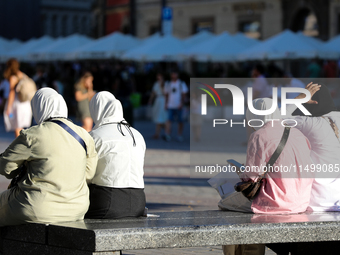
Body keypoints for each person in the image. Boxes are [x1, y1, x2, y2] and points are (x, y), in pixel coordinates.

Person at [222, 97, 316, 255]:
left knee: (226, 206)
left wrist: (240, 171)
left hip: (275, 203)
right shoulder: (297, 133)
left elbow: (250, 178)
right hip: (301, 201)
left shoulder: (258, 135)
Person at [0, 88, 97, 226]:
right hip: (77, 209)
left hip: (36, 207)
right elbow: (89, 174)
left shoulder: (32, 135)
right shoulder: (84, 135)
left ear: (38, 108)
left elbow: (5, 168)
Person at [85, 91, 146, 219]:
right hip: (139, 202)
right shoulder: (137, 135)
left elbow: (87, 175)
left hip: (107, 201)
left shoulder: (95, 136)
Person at [3, 58, 34, 137]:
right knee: (21, 127)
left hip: (17, 105)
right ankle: (21, 145)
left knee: (17, 127)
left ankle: (20, 146)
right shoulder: (23, 75)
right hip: (25, 103)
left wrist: (8, 108)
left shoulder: (13, 77)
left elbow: (12, 93)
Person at [164, 70, 188, 142]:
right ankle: (168, 134)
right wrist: (166, 103)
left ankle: (179, 135)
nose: (173, 75)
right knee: (169, 120)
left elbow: (184, 94)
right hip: (170, 105)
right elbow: (166, 94)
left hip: (179, 105)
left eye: (175, 74)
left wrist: (181, 103)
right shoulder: (168, 83)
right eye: (172, 74)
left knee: (180, 121)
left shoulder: (181, 83)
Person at [148, 73, 167, 139]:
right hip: (158, 100)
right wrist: (150, 99)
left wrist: (162, 85)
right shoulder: (156, 83)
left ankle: (159, 133)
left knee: (160, 117)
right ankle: (163, 130)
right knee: (158, 117)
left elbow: (165, 93)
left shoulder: (166, 84)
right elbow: (153, 92)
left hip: (163, 100)